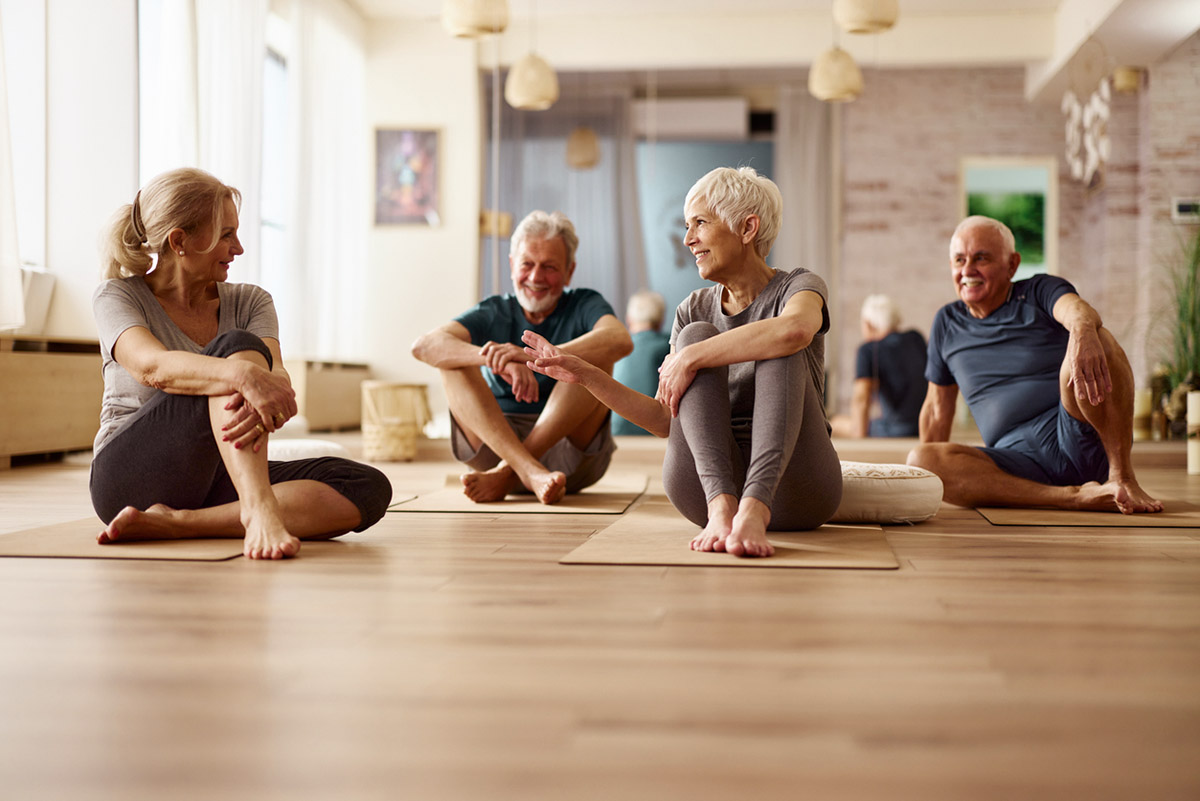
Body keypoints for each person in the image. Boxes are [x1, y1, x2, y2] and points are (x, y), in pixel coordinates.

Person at [524, 167, 842, 558]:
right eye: (686, 226)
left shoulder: (799, 286)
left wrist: (690, 356)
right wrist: (586, 375)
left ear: (747, 228)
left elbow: (795, 330)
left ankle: (755, 507)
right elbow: (664, 419)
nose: (689, 239)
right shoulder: (693, 308)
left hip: (797, 486)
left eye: (700, 224)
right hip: (702, 492)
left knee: (773, 341)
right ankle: (724, 507)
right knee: (696, 331)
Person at [90, 167, 393, 559]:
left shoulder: (251, 300)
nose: (239, 248)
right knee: (235, 346)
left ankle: (181, 523)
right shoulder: (117, 296)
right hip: (130, 477)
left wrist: (270, 385)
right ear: (179, 241)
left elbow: (275, 374)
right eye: (226, 235)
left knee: (366, 485)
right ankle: (258, 507)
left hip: (216, 476)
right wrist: (242, 373)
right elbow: (153, 367)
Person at [906, 215, 1162, 514]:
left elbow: (1077, 310)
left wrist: (1081, 331)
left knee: (1098, 338)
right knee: (921, 461)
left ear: (1012, 265)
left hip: (1078, 437)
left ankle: (1122, 477)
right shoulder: (947, 323)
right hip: (1014, 464)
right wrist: (922, 484)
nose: (967, 270)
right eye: (959, 260)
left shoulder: (1038, 291)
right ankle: (1072, 497)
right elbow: (937, 408)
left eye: (981, 258)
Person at [411, 210, 632, 504]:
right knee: (450, 361)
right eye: (527, 264)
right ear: (513, 265)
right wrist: (493, 358)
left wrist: (538, 357)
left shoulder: (584, 303)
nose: (536, 277)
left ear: (569, 271)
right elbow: (424, 346)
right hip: (495, 446)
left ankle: (510, 473)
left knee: (594, 359)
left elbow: (619, 339)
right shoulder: (494, 309)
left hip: (569, 456)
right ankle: (527, 470)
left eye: (550, 267)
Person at [831, 294, 926, 438]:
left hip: (898, 431)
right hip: (924, 427)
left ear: (868, 324)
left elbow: (861, 399)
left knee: (836, 423)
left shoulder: (868, 350)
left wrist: (859, 441)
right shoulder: (916, 338)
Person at [612, 289, 671, 436]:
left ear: (628, 319)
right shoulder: (670, 346)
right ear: (660, 321)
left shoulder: (614, 348)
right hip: (655, 433)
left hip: (617, 433)